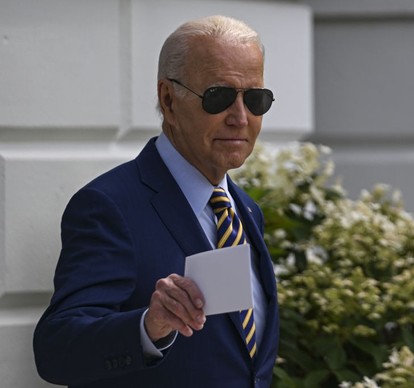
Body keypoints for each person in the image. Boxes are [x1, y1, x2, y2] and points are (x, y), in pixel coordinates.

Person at [33, 15, 279, 387]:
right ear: (168, 99)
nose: (241, 118)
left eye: (256, 99)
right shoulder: (110, 207)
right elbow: (56, 349)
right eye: (220, 96)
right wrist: (149, 326)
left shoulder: (245, 211)